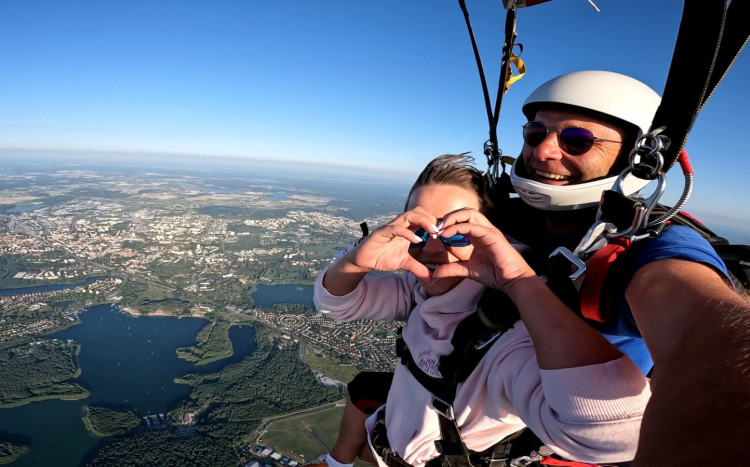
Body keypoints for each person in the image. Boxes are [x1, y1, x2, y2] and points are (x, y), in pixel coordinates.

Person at [429, 70, 750, 466]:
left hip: (559, 437)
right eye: (535, 133)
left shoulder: (649, 248)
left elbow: (709, 338)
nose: (543, 151)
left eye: (576, 140)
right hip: (461, 403)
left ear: (639, 159)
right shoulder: (511, 216)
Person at [312, 153, 651, 467]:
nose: (432, 249)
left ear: (491, 237)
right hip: (393, 438)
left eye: (456, 234)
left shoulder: (510, 336)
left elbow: (616, 436)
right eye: (418, 231)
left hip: (432, 459)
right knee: (362, 389)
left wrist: (518, 281)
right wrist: (357, 261)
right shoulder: (418, 287)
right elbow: (335, 303)